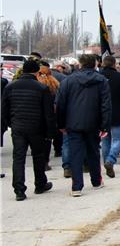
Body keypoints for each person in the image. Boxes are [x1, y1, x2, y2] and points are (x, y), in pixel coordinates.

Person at [56, 54, 111, 197]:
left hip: (73, 123)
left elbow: (60, 104)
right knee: (93, 151)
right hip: (94, 122)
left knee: (76, 154)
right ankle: (96, 181)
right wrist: (105, 125)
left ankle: (76, 186)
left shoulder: (68, 81)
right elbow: (105, 105)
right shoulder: (101, 81)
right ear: (95, 65)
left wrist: (61, 124)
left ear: (80, 64)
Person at [2, 60, 57, 201]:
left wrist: (11, 123)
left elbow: (4, 110)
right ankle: (40, 184)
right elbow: (48, 113)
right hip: (36, 127)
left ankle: (19, 190)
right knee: (38, 156)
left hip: (18, 127)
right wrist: (50, 132)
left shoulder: (10, 87)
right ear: (36, 71)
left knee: (18, 158)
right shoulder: (41, 88)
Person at [99, 56, 120, 178]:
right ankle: (110, 160)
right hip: (117, 110)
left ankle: (106, 161)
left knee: (105, 139)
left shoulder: (98, 77)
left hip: (102, 113)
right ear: (114, 64)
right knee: (117, 139)